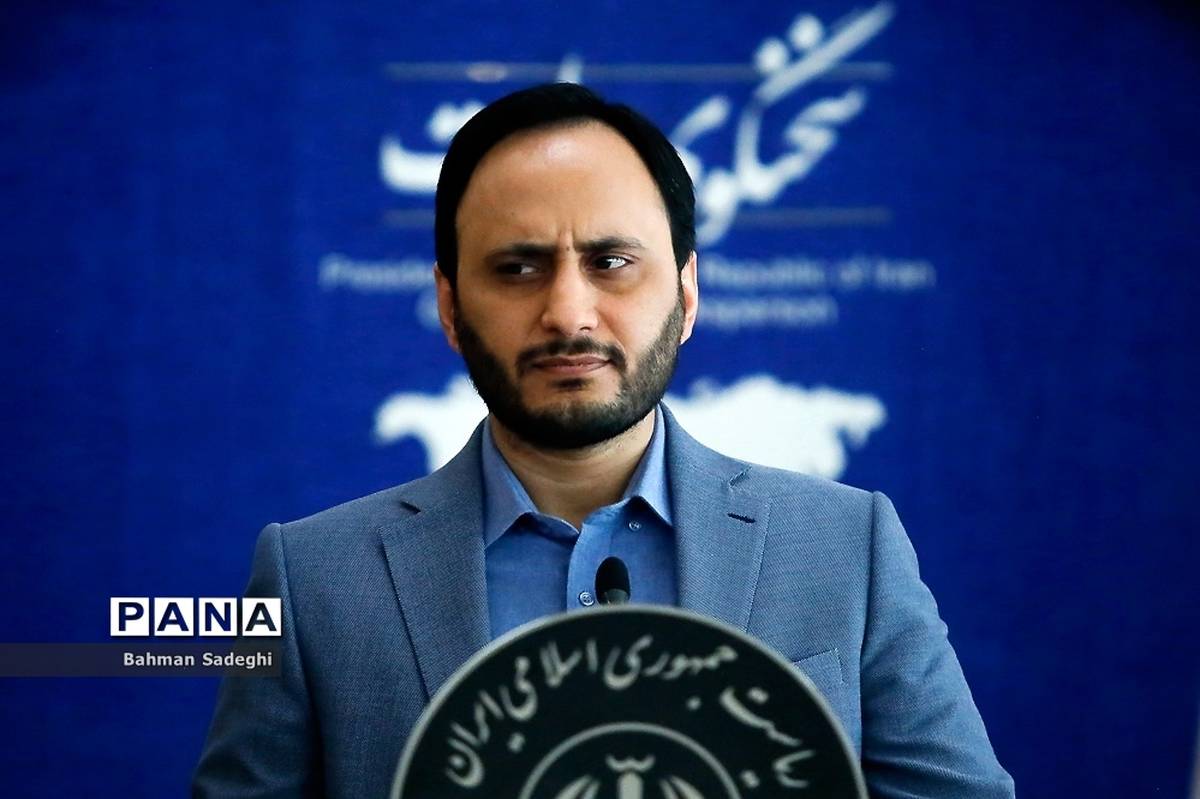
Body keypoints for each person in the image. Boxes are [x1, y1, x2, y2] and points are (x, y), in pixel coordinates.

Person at [194, 83, 1014, 798]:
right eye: (517, 267)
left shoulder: (848, 547)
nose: (568, 313)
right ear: (449, 305)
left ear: (687, 292)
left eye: (612, 261)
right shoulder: (311, 580)